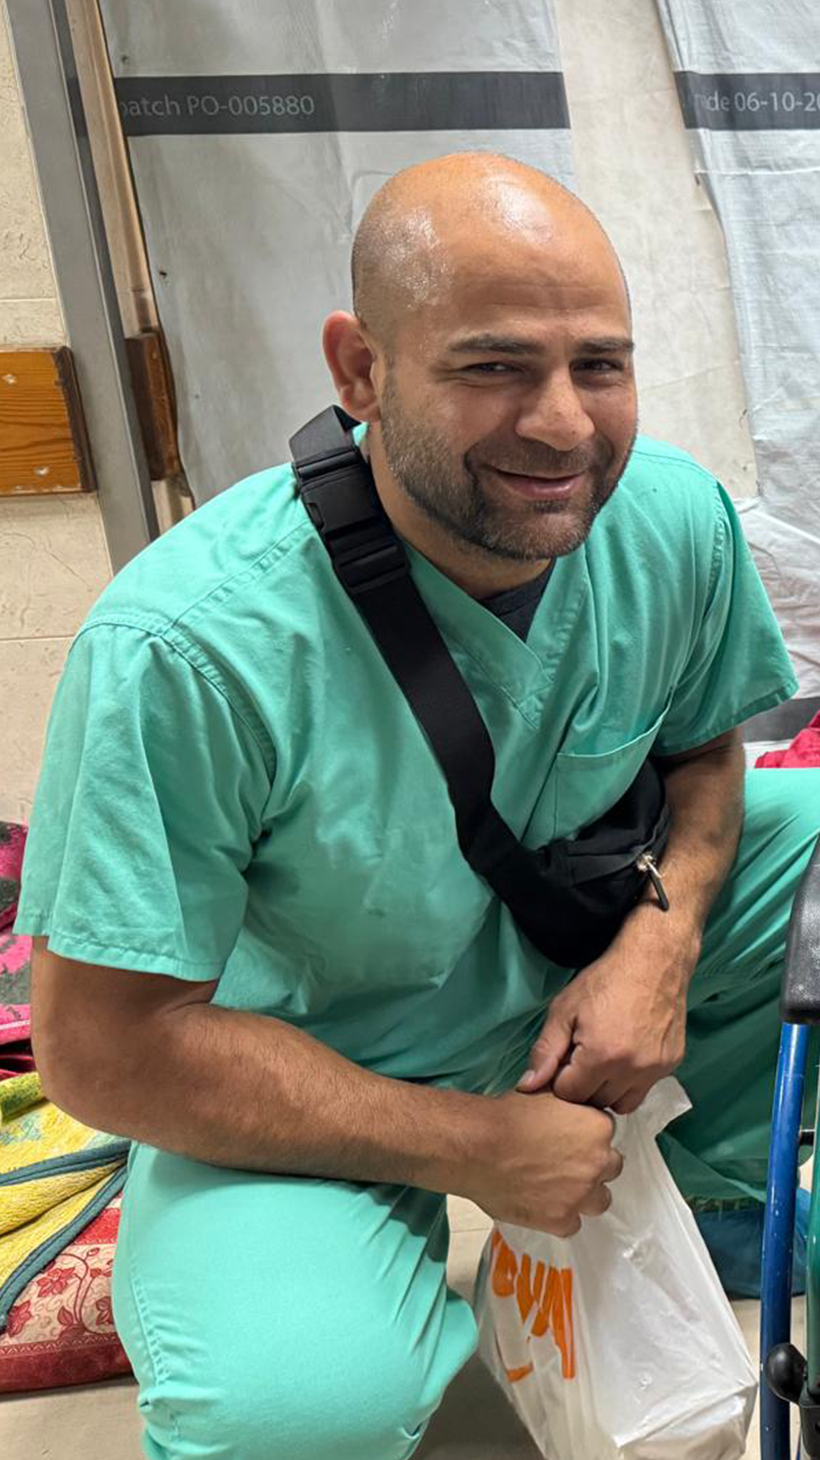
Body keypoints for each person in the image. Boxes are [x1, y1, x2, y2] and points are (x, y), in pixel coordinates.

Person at [16, 152, 819, 1460]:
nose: (563, 425)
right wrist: (478, 1148)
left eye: (599, 365)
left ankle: (715, 1189)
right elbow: (100, 1049)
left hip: (569, 981)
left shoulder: (667, 516)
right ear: (359, 370)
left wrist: (657, 952)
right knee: (293, 1423)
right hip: (308, 1078)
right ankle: (355, 1252)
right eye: (495, 366)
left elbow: (705, 764)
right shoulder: (187, 644)